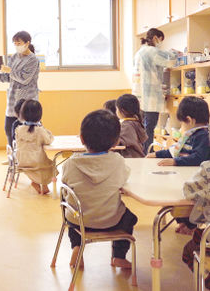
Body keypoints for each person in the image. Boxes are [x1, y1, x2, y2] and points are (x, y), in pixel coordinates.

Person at [61, 109, 137, 269]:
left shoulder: (70, 164)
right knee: (130, 218)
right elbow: (125, 178)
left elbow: (66, 186)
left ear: (81, 139)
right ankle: (118, 256)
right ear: (116, 142)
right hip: (111, 221)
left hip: (79, 222)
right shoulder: (118, 161)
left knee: (72, 210)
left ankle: (76, 246)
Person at [0, 31, 40, 147]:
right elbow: (8, 77)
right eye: (15, 43)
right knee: (9, 128)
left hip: (27, 100)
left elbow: (24, 79)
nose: (17, 45)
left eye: (19, 43)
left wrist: (10, 71)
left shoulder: (33, 60)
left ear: (27, 43)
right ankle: (12, 157)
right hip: (12, 99)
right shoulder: (14, 57)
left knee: (27, 130)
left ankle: (25, 156)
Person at [132, 28, 178, 153]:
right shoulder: (152, 51)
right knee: (149, 128)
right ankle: (147, 153)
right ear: (155, 38)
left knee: (141, 127)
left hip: (139, 96)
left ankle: (140, 152)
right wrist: (175, 53)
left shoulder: (139, 52)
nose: (160, 43)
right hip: (150, 96)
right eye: (160, 40)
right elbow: (170, 61)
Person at [146, 96, 210, 166]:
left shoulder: (203, 135)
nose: (181, 126)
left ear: (189, 120)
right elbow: (175, 150)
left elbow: (198, 158)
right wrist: (156, 154)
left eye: (182, 123)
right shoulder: (190, 135)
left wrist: (176, 161)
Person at [14, 100, 56, 195]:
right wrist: (45, 129)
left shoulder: (19, 129)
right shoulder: (39, 130)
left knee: (40, 165)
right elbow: (48, 140)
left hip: (21, 160)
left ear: (22, 114)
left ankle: (37, 183)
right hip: (36, 161)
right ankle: (41, 184)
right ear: (39, 115)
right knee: (50, 165)